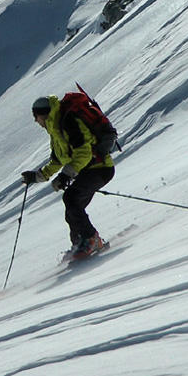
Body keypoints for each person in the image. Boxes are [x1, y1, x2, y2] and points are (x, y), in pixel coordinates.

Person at [22, 95, 115, 259]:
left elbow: (84, 152)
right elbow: (59, 159)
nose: (36, 122)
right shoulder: (57, 128)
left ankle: (90, 239)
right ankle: (79, 244)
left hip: (99, 168)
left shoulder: (67, 122)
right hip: (91, 169)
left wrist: (66, 175)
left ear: (43, 115)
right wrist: (37, 176)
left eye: (35, 117)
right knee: (72, 209)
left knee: (71, 199)